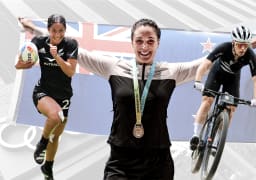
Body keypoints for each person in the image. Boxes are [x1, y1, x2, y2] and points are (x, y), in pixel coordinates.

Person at [18, 17, 202, 179]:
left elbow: (203, 65)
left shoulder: (171, 71)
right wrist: (35, 30)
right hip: (121, 162)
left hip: (158, 162)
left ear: (158, 43)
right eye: (139, 41)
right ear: (132, 43)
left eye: (150, 41)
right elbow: (74, 52)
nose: (144, 46)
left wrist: (229, 50)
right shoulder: (114, 67)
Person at [15, 14, 78, 180]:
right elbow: (19, 65)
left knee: (56, 135)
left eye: (61, 31)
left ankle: (47, 167)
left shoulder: (71, 44)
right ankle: (41, 144)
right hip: (43, 92)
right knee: (55, 116)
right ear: (48, 30)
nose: (57, 34)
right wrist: (23, 63)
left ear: (65, 30)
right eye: (54, 30)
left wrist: (56, 56)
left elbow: (70, 72)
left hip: (63, 96)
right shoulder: (39, 42)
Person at [190, 25, 256, 150]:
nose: (243, 48)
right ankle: (196, 134)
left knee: (231, 108)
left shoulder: (250, 55)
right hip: (217, 74)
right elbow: (206, 64)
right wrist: (198, 80)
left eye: (246, 45)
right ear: (233, 43)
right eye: (240, 45)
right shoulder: (224, 47)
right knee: (207, 101)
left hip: (232, 79)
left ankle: (218, 139)